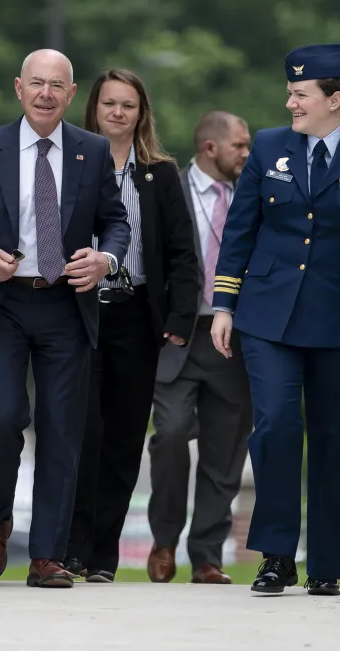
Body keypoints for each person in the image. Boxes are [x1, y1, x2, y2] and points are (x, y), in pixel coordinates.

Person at [209, 43, 340, 597]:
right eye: (290, 92)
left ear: (335, 98)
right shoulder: (270, 148)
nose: (290, 102)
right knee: (276, 424)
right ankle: (277, 556)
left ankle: (326, 564)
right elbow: (241, 230)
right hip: (268, 316)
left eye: (300, 94)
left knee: (336, 439)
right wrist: (225, 303)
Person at [0, 49, 130, 589]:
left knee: (62, 432)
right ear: (18, 88)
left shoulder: (93, 152)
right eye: (37, 83)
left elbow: (115, 223)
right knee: (1, 418)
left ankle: (47, 555)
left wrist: (105, 259)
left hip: (67, 302)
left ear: (72, 95)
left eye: (57, 86)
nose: (46, 94)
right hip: (2, 302)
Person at [64, 69, 200, 583]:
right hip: (79, 312)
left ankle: (102, 555)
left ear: (142, 114)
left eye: (129, 105)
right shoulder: (72, 163)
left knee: (123, 437)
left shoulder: (160, 173)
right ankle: (72, 546)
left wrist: (180, 318)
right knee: (83, 431)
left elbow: (182, 251)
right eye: (110, 104)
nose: (118, 113)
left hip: (137, 316)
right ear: (93, 108)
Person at [146, 110, 254, 585]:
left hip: (236, 341)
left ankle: (207, 556)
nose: (247, 155)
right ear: (211, 148)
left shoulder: (254, 196)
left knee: (225, 451)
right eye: (240, 146)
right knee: (168, 435)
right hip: (180, 337)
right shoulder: (170, 187)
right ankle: (164, 540)